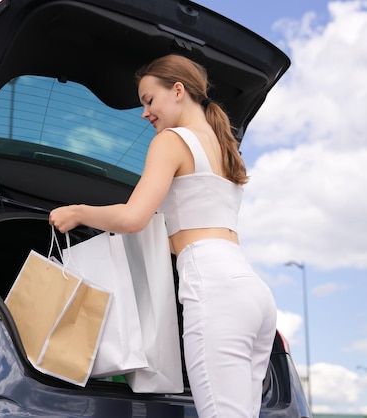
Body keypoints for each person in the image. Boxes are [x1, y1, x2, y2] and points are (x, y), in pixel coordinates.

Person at [49, 54, 277, 417]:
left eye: (148, 100)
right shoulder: (226, 147)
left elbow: (133, 217)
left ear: (177, 90)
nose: (144, 113)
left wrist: (78, 213)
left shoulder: (172, 141)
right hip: (254, 293)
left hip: (212, 286)